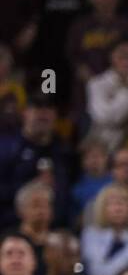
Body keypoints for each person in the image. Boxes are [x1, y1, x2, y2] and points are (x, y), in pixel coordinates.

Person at [0, 96, 73, 228]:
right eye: (37, 109)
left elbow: (68, 194)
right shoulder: (7, 148)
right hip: (11, 228)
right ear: (25, 113)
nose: (43, 114)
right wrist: (31, 187)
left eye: (49, 109)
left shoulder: (63, 150)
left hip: (54, 229)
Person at [66, 0, 128, 99]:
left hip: (119, 88)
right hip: (86, 90)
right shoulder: (80, 26)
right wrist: (88, 77)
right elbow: (73, 56)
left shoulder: (127, 25)